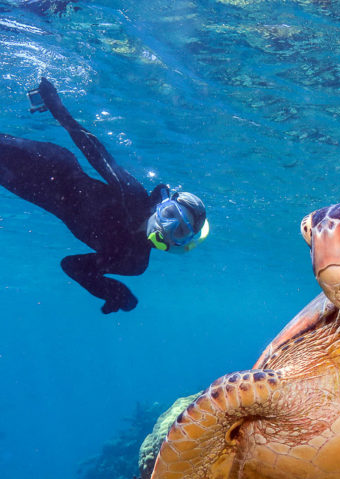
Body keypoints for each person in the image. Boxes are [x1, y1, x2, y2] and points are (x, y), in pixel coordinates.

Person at [0, 78, 209, 314]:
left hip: (30, 189)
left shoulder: (133, 263)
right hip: (51, 166)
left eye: (178, 231)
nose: (166, 226)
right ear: (162, 205)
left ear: (178, 245)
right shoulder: (133, 196)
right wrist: (56, 107)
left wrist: (110, 290)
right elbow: (94, 150)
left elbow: (72, 266)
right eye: (170, 214)